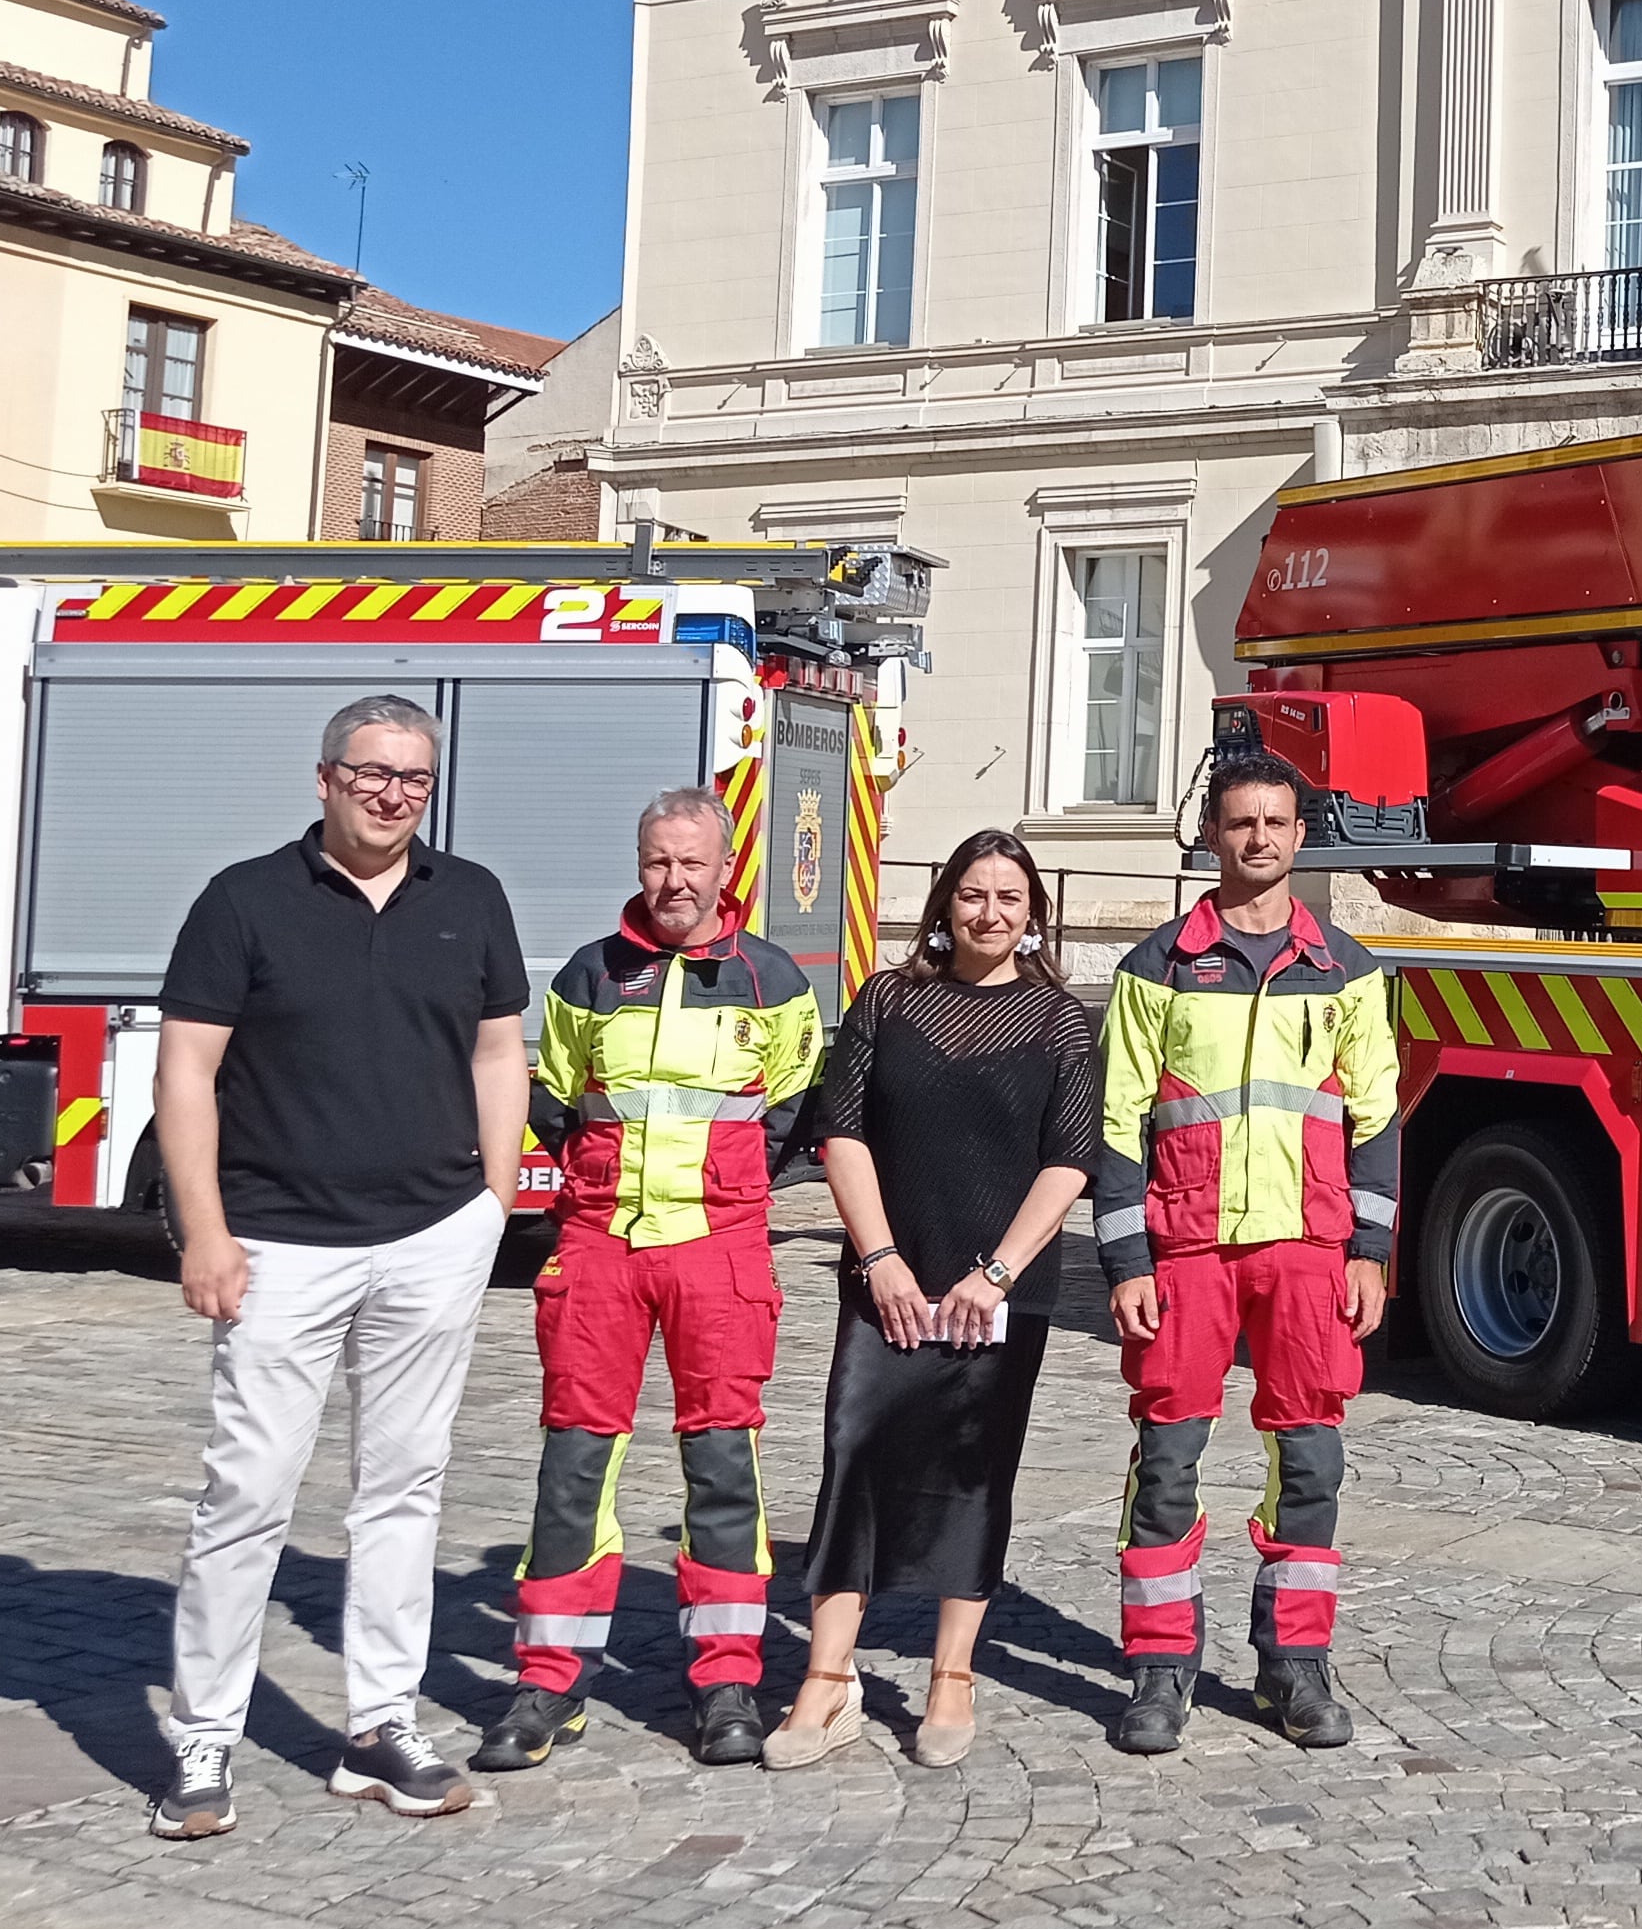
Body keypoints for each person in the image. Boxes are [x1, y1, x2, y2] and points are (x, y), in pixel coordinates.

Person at [151, 694, 530, 1840]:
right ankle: (205, 1734)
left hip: (430, 1238)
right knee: (248, 1494)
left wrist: (494, 1202)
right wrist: (204, 1231)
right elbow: (186, 1073)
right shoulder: (243, 901)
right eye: (372, 773)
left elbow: (499, 1047)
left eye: (413, 778)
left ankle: (379, 1726)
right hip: (278, 1245)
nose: (392, 794)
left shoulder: (470, 898)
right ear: (324, 778)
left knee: (403, 1491)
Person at [471, 786, 824, 1775]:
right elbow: (553, 1097)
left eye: (692, 863)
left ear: (725, 870)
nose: (675, 880)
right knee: (575, 1466)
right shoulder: (592, 975)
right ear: (641, 865)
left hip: (720, 1246)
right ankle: (549, 1683)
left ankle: (724, 1681)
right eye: (658, 861)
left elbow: (798, 1107)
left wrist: (735, 1187)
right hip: (599, 1246)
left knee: (723, 1466)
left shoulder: (772, 981)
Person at [766, 830, 1097, 1771]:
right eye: (973, 894)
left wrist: (992, 1273)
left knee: (972, 1469)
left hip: (1000, 1289)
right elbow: (842, 1129)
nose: (990, 912)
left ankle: (952, 1675)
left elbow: (1069, 1160)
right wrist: (880, 1257)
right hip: (889, 1279)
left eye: (1010, 897)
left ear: (1035, 913)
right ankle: (826, 1681)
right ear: (945, 903)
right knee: (854, 1455)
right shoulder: (891, 1000)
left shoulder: (1062, 1022)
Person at [1093, 752, 1400, 1755]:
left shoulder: (1348, 971)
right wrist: (1127, 1262)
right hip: (1186, 1252)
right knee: (1167, 1465)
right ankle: (1159, 1668)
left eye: (1275, 822)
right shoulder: (1157, 969)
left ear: (1300, 835)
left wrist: (1370, 1249)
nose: (1258, 839)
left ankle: (1293, 1666)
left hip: (1308, 1252)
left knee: (1310, 1460)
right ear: (1212, 836)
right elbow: (1118, 1120)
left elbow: (1375, 1119)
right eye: (1240, 823)